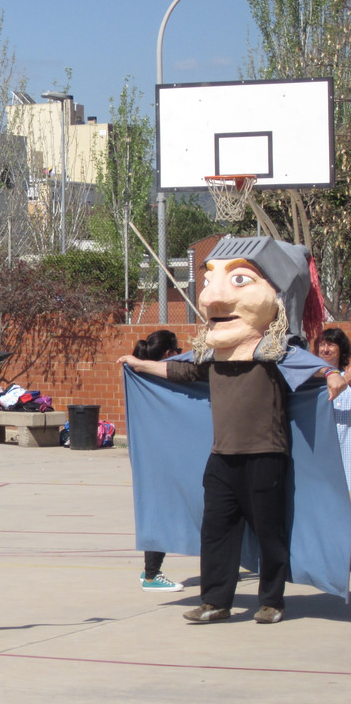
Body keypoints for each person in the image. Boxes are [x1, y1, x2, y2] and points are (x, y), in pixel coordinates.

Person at [119, 236, 347, 625]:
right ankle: (216, 601)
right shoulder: (213, 354)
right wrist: (140, 366)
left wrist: (331, 375)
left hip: (266, 455)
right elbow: (181, 369)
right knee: (217, 533)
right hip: (222, 457)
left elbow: (312, 368)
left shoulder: (277, 351)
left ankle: (272, 601)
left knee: (269, 533)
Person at [130, 330, 184, 593]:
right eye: (176, 349)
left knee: (160, 509)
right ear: (167, 354)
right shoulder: (159, 378)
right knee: (161, 511)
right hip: (162, 456)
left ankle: (150, 571)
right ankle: (152, 574)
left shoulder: (141, 376)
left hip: (153, 453)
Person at [315, 326, 351, 489]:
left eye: (330, 345)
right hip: (320, 459)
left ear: (341, 349)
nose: (325, 349)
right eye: (322, 345)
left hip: (346, 459)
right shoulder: (311, 382)